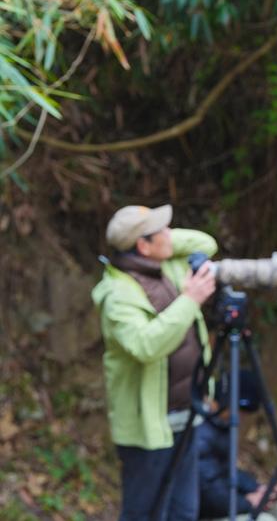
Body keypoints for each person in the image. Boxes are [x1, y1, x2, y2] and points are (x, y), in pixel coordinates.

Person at [92, 204, 218, 521]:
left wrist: (165, 240)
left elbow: (206, 244)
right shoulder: (117, 294)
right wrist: (190, 300)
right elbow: (145, 344)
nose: (169, 234)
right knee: (145, 514)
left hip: (187, 415)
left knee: (184, 512)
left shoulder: (168, 268)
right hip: (149, 428)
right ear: (142, 245)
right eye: (160, 231)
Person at [197, 371, 277, 521]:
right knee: (264, 520)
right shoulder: (200, 431)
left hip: (222, 504)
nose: (242, 417)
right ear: (228, 401)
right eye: (241, 410)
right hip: (203, 512)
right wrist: (247, 502)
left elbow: (228, 471)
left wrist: (258, 489)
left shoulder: (221, 426)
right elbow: (208, 493)